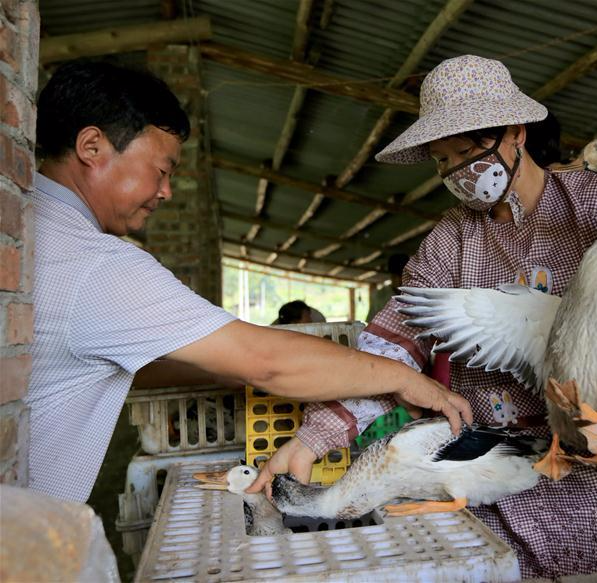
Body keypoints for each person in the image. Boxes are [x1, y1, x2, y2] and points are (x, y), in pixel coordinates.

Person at [255, 55, 597, 577]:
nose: (458, 172)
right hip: (513, 483)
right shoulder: (450, 243)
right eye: (441, 159)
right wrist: (315, 437)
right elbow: (391, 346)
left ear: (516, 133)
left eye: (468, 150)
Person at [24, 60, 472, 504]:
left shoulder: (30, 231)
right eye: (161, 170)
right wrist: (401, 377)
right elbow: (265, 361)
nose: (166, 192)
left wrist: (236, 368)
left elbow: (151, 362)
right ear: (92, 146)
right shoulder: (96, 263)